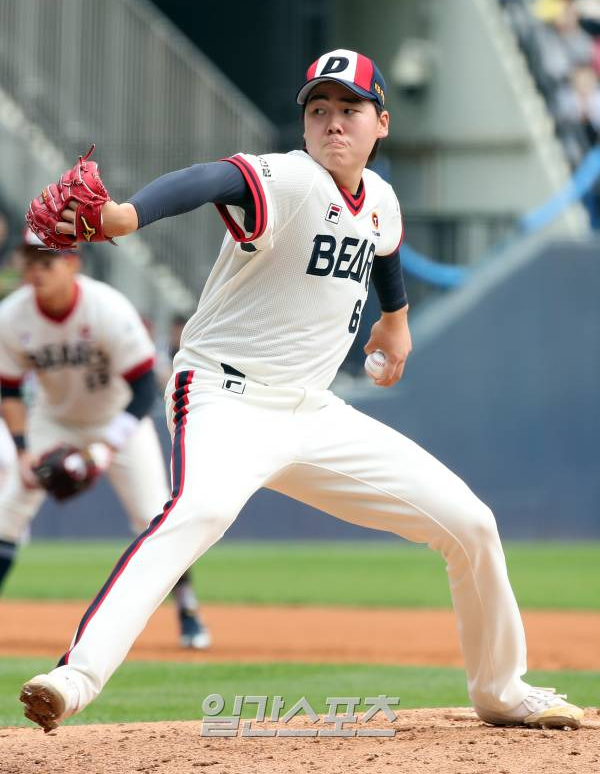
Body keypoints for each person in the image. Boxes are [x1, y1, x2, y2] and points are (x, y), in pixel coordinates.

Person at [20, 49, 583, 732]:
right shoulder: (288, 178)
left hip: (314, 413)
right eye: (319, 109)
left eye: (350, 108)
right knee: (198, 513)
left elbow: (386, 249)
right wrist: (126, 217)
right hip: (225, 398)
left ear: (383, 123)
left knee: (471, 524)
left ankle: (500, 687)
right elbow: (210, 178)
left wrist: (396, 322)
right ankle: (73, 677)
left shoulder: (378, 198)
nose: (332, 121)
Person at [0, 230, 210, 650]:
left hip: (118, 418)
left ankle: (187, 608)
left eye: (48, 261)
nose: (36, 271)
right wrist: (23, 452)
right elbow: (7, 389)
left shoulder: (107, 309)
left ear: (73, 264)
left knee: (154, 517)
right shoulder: (12, 316)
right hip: (54, 419)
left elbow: (145, 390)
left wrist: (105, 447)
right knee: (9, 512)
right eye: (30, 260)